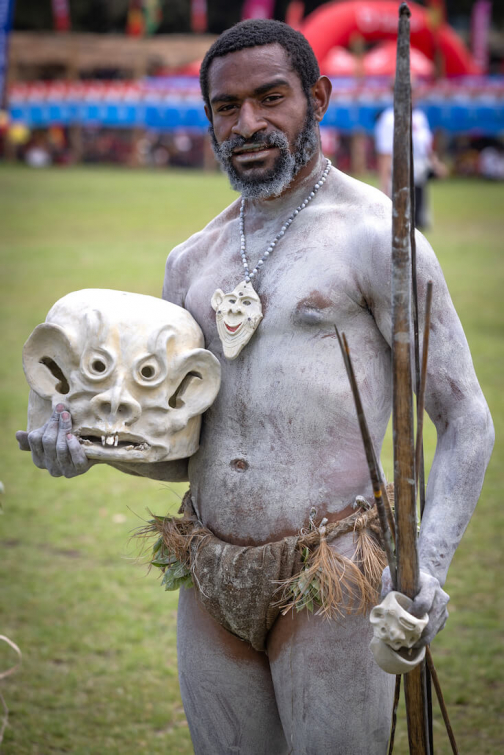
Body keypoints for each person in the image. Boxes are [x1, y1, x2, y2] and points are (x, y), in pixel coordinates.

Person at [17, 20, 494, 755]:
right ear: (207, 116)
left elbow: (465, 419)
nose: (248, 123)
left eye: (271, 98)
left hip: (336, 573)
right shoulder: (191, 262)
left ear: (319, 97)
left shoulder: (380, 237)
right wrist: (91, 449)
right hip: (209, 568)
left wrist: (424, 573)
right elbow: (184, 448)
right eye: (226, 107)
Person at [375, 100, 448, 229]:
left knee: (420, 223)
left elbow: (426, 147)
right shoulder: (389, 118)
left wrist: (436, 164)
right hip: (399, 171)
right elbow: (385, 153)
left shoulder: (420, 116)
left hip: (419, 172)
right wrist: (384, 185)